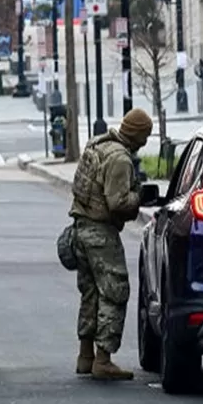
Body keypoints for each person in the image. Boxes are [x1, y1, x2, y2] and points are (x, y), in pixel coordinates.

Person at [69, 108, 153, 380]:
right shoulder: (120, 159)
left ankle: (85, 356)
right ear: (137, 134)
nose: (145, 142)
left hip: (81, 228)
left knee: (91, 293)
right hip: (101, 233)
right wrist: (139, 197)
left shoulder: (98, 144)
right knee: (115, 291)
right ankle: (103, 360)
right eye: (145, 136)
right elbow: (117, 202)